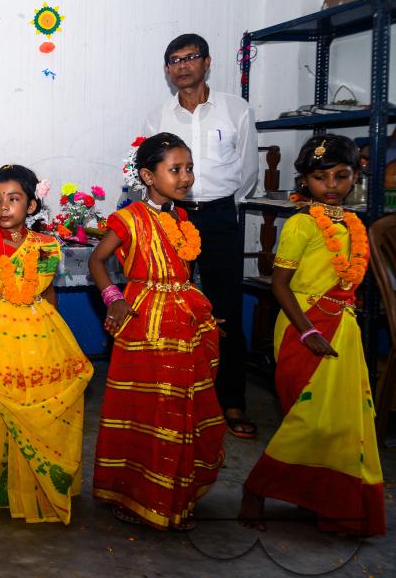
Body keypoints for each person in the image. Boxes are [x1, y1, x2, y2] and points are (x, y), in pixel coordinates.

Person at [239, 135, 384, 536]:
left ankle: (327, 501)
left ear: (356, 177)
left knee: (344, 422)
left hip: (345, 327)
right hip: (304, 324)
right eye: (321, 177)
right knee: (308, 419)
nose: (332, 185)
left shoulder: (355, 223)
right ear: (305, 181)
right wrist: (308, 333)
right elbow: (280, 286)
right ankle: (256, 488)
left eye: (342, 176)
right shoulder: (301, 223)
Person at [88, 134, 224, 530]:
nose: (186, 177)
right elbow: (98, 261)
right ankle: (136, 494)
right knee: (153, 408)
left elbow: (185, 272)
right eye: (176, 170)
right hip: (146, 322)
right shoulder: (128, 217)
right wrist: (113, 297)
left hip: (185, 319)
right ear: (148, 175)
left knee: (182, 407)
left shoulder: (182, 218)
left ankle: (174, 495)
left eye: (189, 168)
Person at [0, 165, 92, 524]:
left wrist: (59, 340)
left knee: (35, 402)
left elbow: (47, 290)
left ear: (31, 206)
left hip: (40, 331)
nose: (4, 207)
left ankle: (32, 483)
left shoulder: (45, 244)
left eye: (13, 199)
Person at [145, 33, 259, 439]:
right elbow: (147, 170)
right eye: (174, 60)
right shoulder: (159, 117)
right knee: (172, 306)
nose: (183, 66)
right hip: (174, 218)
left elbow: (247, 172)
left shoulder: (235, 109)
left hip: (219, 218)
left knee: (224, 308)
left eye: (190, 57)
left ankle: (231, 400)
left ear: (207, 62)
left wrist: (220, 207)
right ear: (167, 70)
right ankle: (176, 394)